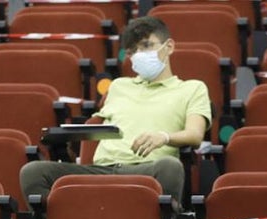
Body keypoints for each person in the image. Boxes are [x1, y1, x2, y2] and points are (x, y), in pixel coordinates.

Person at [19, 16, 210, 206]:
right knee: (33, 172)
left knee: (170, 167)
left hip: (145, 169)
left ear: (169, 47)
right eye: (133, 51)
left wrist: (164, 137)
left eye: (146, 45)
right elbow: (95, 127)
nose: (140, 54)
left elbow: (194, 135)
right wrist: (68, 136)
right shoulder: (119, 86)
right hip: (100, 170)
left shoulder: (192, 88)